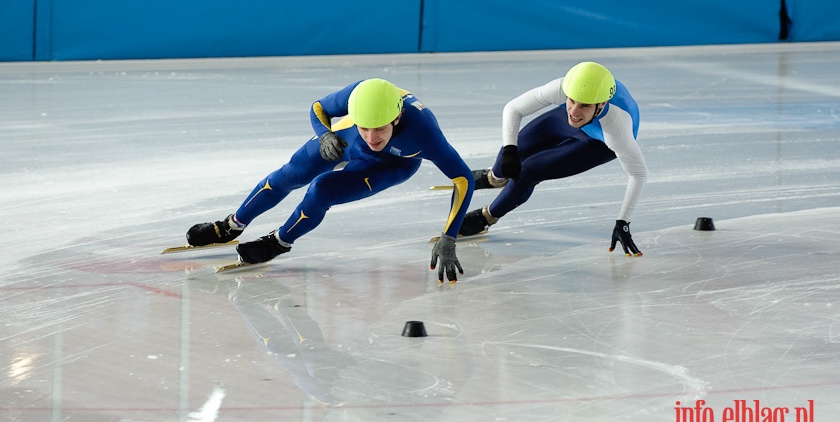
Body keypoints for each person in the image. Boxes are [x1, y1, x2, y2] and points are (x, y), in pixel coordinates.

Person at [186, 78, 474, 282]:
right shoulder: (358, 94)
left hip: (391, 165)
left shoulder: (424, 132)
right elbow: (318, 107)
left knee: (322, 189)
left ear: (397, 118)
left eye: (380, 129)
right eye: (365, 127)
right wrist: (325, 134)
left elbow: (463, 179)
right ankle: (231, 225)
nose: (373, 137)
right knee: (289, 175)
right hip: (342, 140)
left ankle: (279, 242)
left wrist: (449, 236)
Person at [460, 62, 648, 256]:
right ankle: (494, 177)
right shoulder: (563, 88)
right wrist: (509, 151)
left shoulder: (617, 130)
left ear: (601, 104)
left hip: (598, 141)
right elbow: (513, 109)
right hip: (580, 120)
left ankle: (487, 218)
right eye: (572, 100)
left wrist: (623, 221)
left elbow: (639, 174)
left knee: (529, 171)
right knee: (511, 156)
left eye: (584, 105)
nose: (574, 111)